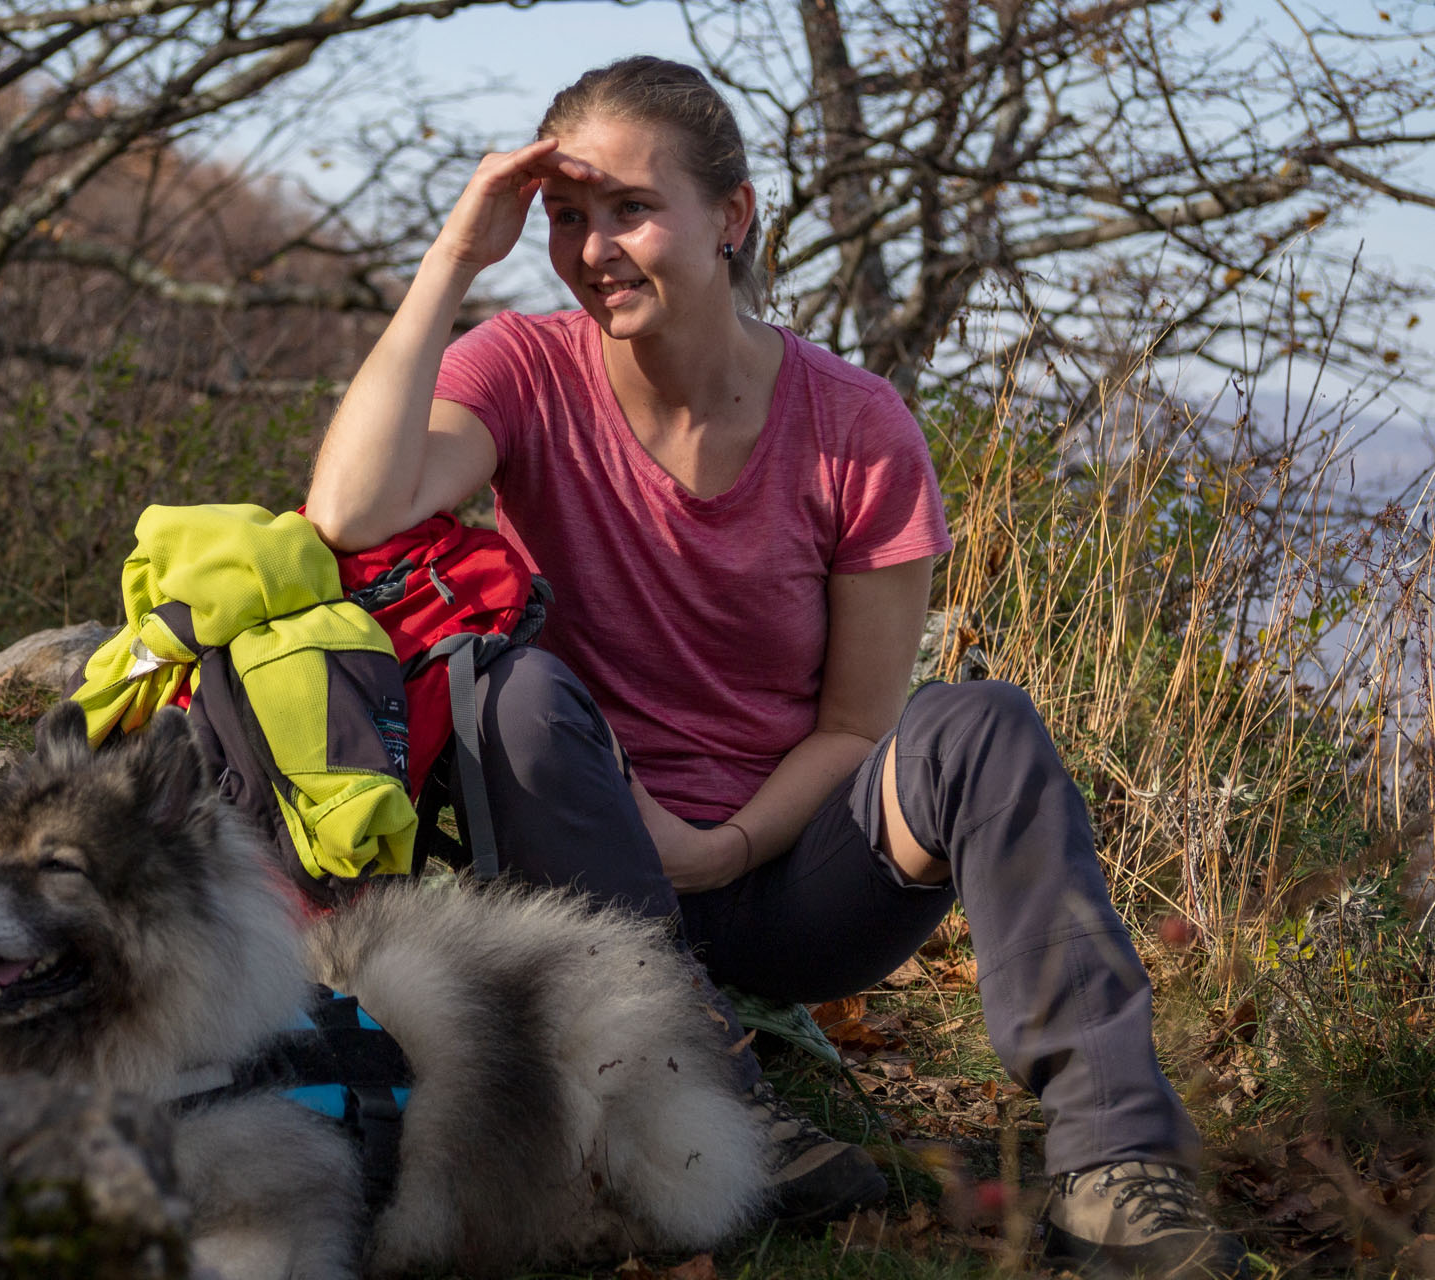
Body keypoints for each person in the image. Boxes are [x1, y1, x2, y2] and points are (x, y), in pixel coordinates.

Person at [303, 56, 1246, 1278]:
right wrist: (451, 263)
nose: (594, 249)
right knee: (509, 688)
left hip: (798, 875)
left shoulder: (857, 427)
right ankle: (722, 1096)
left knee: (986, 724)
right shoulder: (523, 368)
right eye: (567, 218)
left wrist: (730, 842)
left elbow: (860, 725)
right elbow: (349, 509)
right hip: (585, 860)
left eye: (629, 209)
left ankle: (1118, 1166)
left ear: (732, 215)